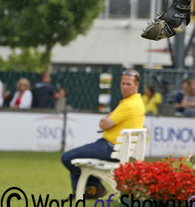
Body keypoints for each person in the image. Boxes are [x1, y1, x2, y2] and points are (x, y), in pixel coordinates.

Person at [61, 69, 145, 197]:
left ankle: (95, 187)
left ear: (137, 85)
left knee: (68, 157)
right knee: (75, 157)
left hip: (110, 148)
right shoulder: (136, 102)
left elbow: (104, 124)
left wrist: (105, 120)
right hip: (114, 148)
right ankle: (88, 191)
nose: (125, 87)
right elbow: (109, 121)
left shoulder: (128, 104)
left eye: (129, 84)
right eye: (123, 84)